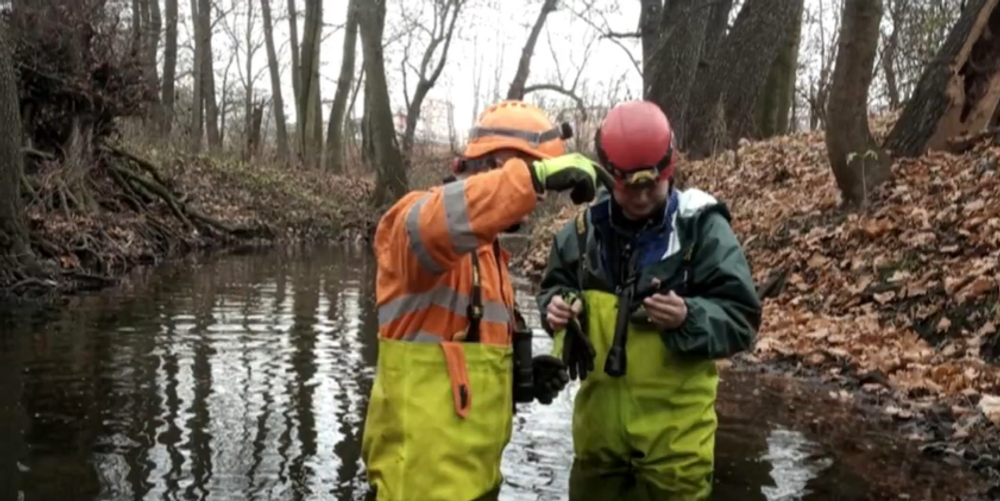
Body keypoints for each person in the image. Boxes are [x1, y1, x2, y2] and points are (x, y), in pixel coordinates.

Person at [361, 100, 602, 501]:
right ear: (494, 165)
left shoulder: (490, 257)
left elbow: (459, 369)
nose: (538, 199)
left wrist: (518, 379)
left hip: (477, 484)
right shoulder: (413, 222)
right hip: (415, 489)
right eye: (532, 178)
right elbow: (435, 225)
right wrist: (532, 178)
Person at [536, 100, 763, 501]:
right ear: (608, 176)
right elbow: (553, 290)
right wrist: (557, 308)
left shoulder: (701, 229)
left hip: (675, 448)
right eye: (629, 187)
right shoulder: (581, 234)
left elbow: (742, 318)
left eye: (651, 185)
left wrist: (689, 316)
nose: (641, 198)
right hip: (597, 442)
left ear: (669, 170)